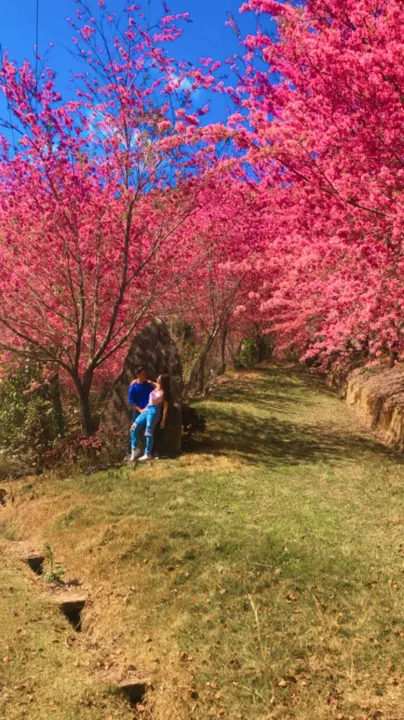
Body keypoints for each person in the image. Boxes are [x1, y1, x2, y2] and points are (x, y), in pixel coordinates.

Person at [130, 374, 171, 462]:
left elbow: (165, 408)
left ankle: (147, 454)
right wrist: (135, 380)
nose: (157, 378)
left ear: (162, 380)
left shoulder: (165, 392)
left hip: (154, 411)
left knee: (148, 431)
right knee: (133, 427)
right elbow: (148, 381)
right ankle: (135, 449)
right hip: (147, 409)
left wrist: (163, 420)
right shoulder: (157, 386)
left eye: (158, 378)